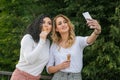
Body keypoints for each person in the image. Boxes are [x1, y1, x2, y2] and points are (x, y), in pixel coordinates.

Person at [47, 14, 101, 80]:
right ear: (56, 29)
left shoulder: (78, 41)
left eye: (65, 22)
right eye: (60, 23)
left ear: (68, 24)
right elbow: (49, 69)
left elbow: (89, 40)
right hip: (58, 77)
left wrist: (97, 31)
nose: (63, 24)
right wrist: (59, 66)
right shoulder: (54, 45)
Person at [10, 14, 52, 80]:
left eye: (49, 23)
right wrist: (41, 41)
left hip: (35, 78)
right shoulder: (28, 38)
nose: (46, 25)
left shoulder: (48, 42)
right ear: (38, 24)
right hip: (21, 76)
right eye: (43, 22)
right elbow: (30, 60)